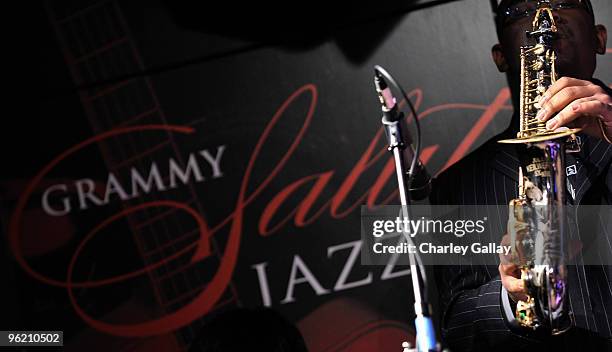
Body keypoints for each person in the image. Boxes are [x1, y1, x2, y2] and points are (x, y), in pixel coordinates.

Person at [429, 0, 612, 351]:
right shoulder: (455, 188)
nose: (546, 15)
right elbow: (459, 325)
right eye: (523, 9)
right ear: (500, 57)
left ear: (600, 38)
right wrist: (511, 299)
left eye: (565, 1)